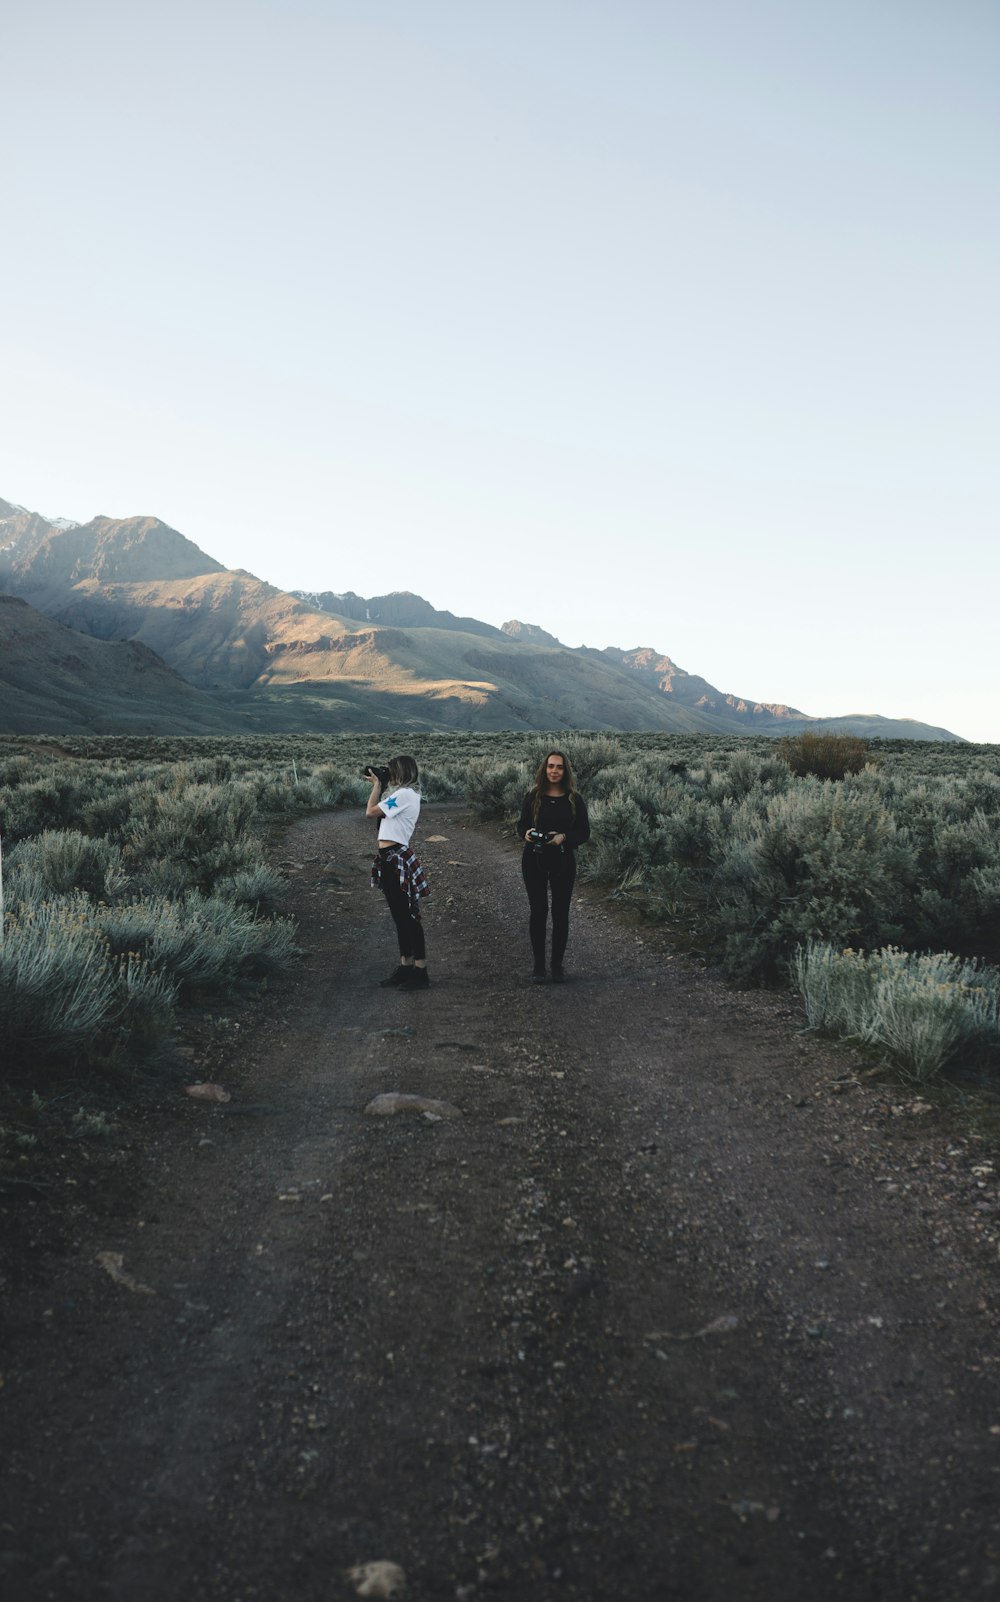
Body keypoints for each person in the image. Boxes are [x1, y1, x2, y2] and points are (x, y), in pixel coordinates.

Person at [517, 750, 590, 982]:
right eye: (550, 766)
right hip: (534, 860)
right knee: (538, 912)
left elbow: (583, 832)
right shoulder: (533, 797)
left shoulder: (574, 799)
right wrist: (527, 834)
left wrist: (563, 838)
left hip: (563, 861)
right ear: (544, 769)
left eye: (559, 767)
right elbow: (521, 826)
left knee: (561, 913)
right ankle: (539, 968)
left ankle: (557, 967)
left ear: (565, 770)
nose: (554, 771)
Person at [366, 754, 431, 989]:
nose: (389, 775)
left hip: (395, 858)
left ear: (401, 772)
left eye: (392, 771)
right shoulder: (402, 795)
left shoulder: (404, 795)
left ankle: (419, 970)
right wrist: (382, 786)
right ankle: (406, 966)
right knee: (400, 916)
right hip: (390, 858)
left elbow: (371, 812)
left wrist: (377, 785)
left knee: (408, 916)